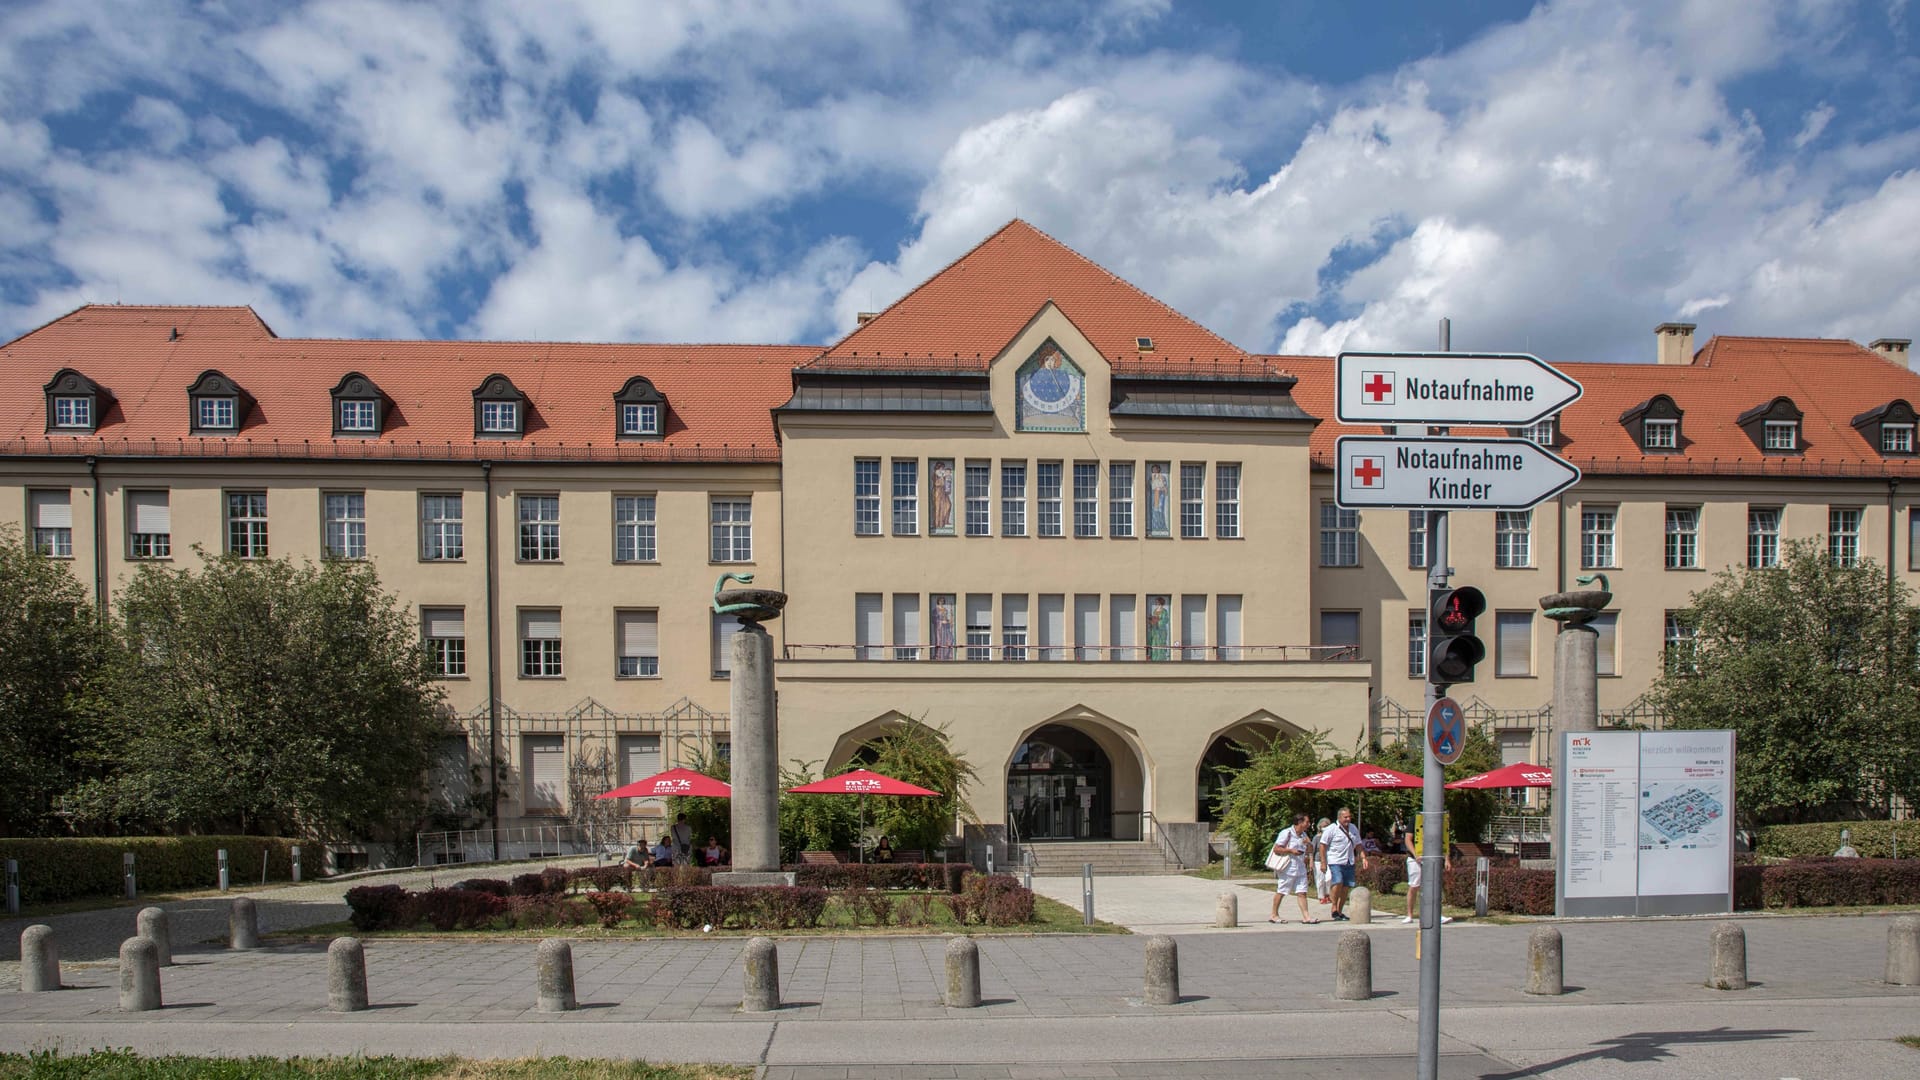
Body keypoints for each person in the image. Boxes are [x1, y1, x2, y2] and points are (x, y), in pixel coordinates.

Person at [1317, 806, 1370, 921]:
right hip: (1335, 860)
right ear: (1339, 817)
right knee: (1338, 881)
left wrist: (1363, 858)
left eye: (1349, 817)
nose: (1348, 819)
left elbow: (1358, 844)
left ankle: (1339, 911)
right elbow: (1322, 845)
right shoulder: (1331, 829)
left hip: (1349, 861)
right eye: (1345, 817)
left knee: (1346, 886)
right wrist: (1323, 862)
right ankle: (1334, 907)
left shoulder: (1353, 828)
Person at [1268, 812, 1320, 924]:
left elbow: (1310, 850)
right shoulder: (1286, 833)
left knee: (1302, 891)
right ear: (1300, 822)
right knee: (1282, 891)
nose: (1308, 824)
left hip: (1300, 867)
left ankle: (1306, 917)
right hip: (1288, 867)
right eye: (1307, 822)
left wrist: (1309, 845)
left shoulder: (1304, 835)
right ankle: (1274, 914)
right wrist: (1291, 850)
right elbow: (1276, 849)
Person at [1402, 820, 1452, 924]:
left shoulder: (1439, 820)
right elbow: (1408, 839)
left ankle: (1436, 915)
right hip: (1415, 858)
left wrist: (1446, 859)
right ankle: (1409, 915)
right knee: (1414, 886)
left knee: (1433, 886)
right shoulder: (1415, 819)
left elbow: (1444, 841)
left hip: (1432, 858)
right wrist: (1415, 855)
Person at [1312, 817, 1332, 904]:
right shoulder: (1317, 837)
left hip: (1329, 860)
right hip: (1318, 861)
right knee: (1320, 879)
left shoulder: (1331, 837)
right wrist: (1310, 861)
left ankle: (1328, 894)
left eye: (1326, 826)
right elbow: (1312, 850)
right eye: (1323, 826)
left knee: (1329, 878)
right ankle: (1321, 896)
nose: (1324, 828)